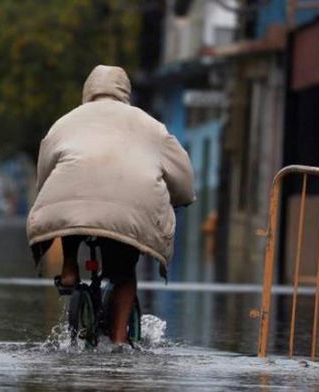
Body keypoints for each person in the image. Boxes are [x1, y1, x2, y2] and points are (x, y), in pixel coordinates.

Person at [26, 65, 194, 344]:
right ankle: (118, 338)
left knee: (72, 209)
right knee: (124, 272)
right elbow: (184, 180)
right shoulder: (151, 126)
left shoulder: (66, 122)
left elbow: (45, 177)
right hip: (128, 210)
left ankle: (69, 267)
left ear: (87, 91)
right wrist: (180, 199)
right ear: (125, 92)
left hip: (70, 202)